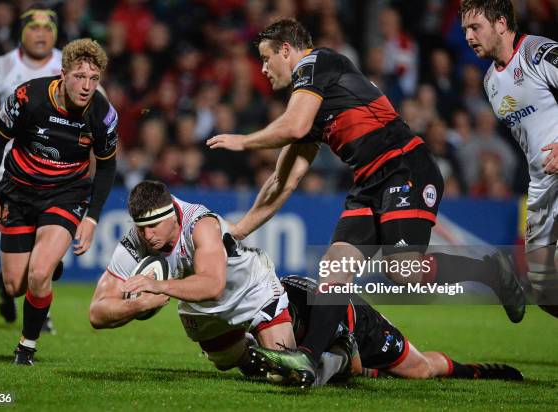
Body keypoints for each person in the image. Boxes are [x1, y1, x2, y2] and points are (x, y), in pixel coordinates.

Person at [207, 18, 525, 385]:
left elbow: (292, 126)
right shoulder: (308, 107)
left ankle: (491, 270)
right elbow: (283, 180)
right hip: (369, 182)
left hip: (405, 165)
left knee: (403, 272)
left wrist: (243, 141)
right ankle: (307, 357)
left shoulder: (315, 64)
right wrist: (236, 231)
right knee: (334, 267)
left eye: (265, 59)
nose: (262, 69)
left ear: (286, 50)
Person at [88, 180, 357, 385]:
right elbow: (97, 313)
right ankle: (256, 343)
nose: (148, 236)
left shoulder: (200, 224)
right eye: (141, 227)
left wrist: (159, 286)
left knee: (287, 374)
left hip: (251, 289)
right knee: (248, 367)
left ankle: (340, 356)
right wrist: (138, 306)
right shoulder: (136, 240)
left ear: (172, 214)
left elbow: (213, 287)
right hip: (202, 308)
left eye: (154, 225)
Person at [0, 38, 118, 365]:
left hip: (65, 194)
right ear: (63, 73)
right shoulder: (29, 97)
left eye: (94, 79)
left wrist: (93, 217)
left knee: (39, 275)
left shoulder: (102, 113)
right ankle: (49, 262)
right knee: (15, 286)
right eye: (79, 77)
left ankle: (26, 346)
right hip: (18, 190)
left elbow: (108, 164)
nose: (86, 87)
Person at [460, 1, 558, 318]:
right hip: (542, 187)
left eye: (475, 28)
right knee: (545, 291)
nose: (468, 37)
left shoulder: (538, 53)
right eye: (464, 30)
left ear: (501, 23)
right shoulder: (490, 83)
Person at [251, 275, 523, 385]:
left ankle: (478, 371)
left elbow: (353, 366)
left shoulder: (313, 307)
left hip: (365, 329)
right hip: (330, 332)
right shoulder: (262, 302)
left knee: (421, 370)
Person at [0, 3, 63, 330]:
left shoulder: (68, 65)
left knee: (48, 248)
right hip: (10, 174)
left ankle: (38, 312)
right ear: (22, 31)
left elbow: (95, 108)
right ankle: (8, 284)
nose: (41, 34)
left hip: (58, 173)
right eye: (34, 27)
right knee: (23, 262)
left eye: (47, 28)